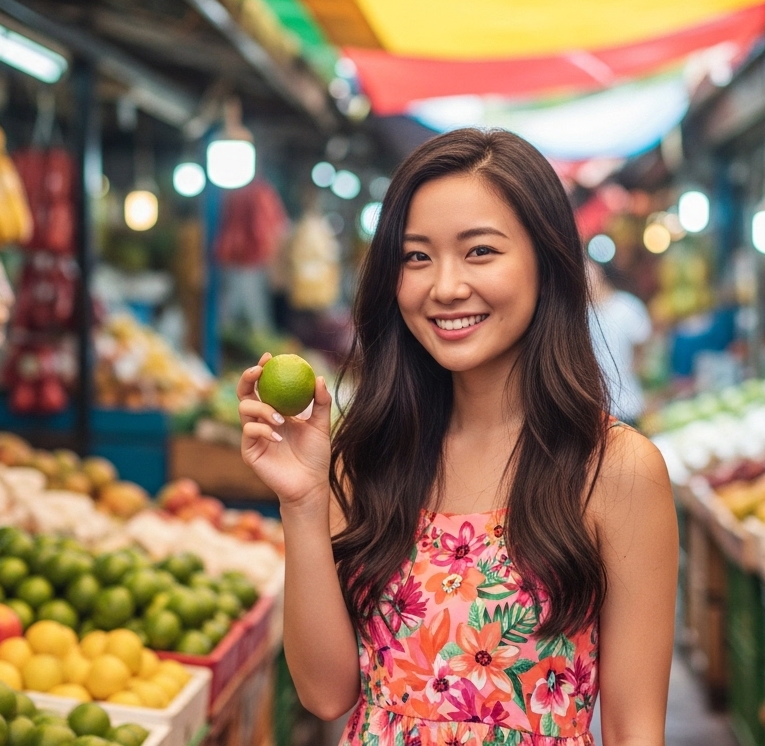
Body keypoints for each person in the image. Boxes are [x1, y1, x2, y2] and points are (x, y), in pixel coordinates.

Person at [237, 129, 678, 745]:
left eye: (479, 252)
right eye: (416, 257)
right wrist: (303, 503)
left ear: (547, 262)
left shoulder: (616, 469)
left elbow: (637, 732)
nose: (444, 287)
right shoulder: (365, 456)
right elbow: (325, 692)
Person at [587, 261, 653, 427]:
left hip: (629, 405)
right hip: (595, 413)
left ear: (598, 271)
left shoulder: (627, 306)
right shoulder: (578, 318)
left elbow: (644, 344)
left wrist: (634, 368)